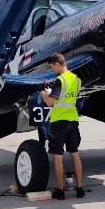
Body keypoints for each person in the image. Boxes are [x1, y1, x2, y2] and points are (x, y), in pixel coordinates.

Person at [39, 53, 84, 200]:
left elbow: (50, 102)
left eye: (52, 66)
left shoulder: (60, 80)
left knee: (58, 156)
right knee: (75, 154)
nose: (52, 69)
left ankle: (60, 191)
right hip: (73, 120)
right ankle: (80, 189)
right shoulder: (76, 79)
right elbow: (66, 95)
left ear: (58, 63)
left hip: (59, 122)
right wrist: (52, 88)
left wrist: (43, 92)